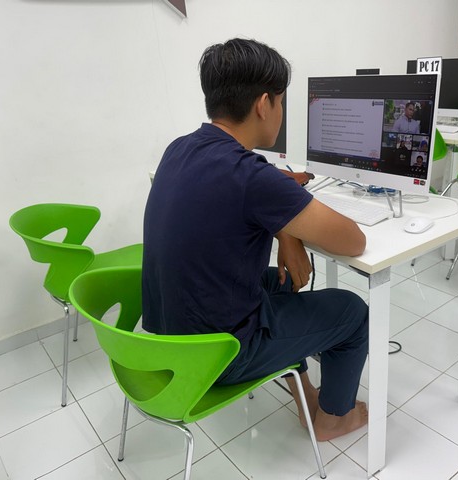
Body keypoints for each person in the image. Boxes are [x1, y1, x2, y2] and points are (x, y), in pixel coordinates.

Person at [142, 38, 369, 442]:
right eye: (281, 102)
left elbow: (252, 191)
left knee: (280, 282)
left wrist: (287, 235)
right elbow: (354, 241)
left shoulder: (180, 148)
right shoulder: (252, 177)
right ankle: (333, 420)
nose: (281, 112)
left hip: (171, 334)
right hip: (219, 353)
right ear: (264, 104)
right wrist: (290, 225)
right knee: (352, 311)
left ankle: (305, 396)